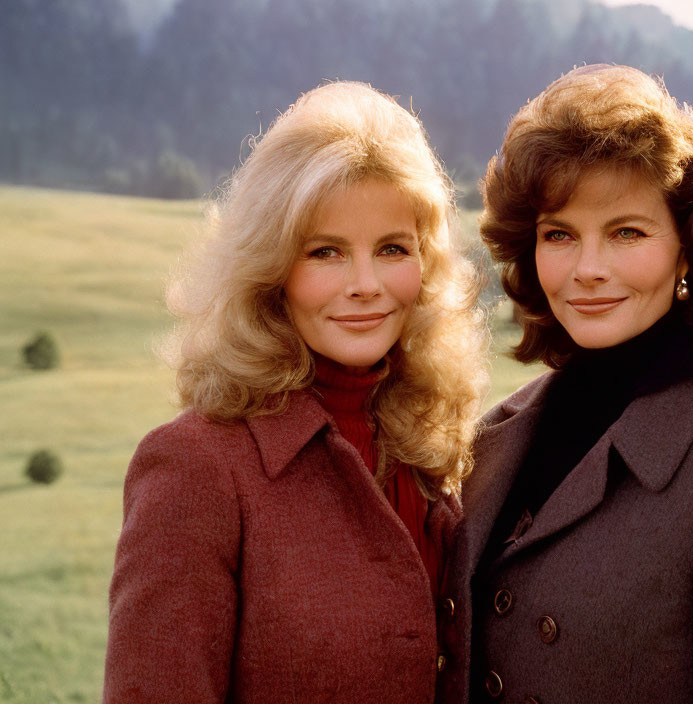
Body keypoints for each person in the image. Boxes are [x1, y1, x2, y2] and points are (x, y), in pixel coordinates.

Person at [439, 65, 693, 703]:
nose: (588, 269)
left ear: (689, 248)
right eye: (559, 235)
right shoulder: (494, 434)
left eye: (626, 232)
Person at [103, 81, 487, 703]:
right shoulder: (195, 468)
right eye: (325, 252)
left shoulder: (436, 447)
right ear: (271, 269)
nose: (365, 284)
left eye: (393, 248)